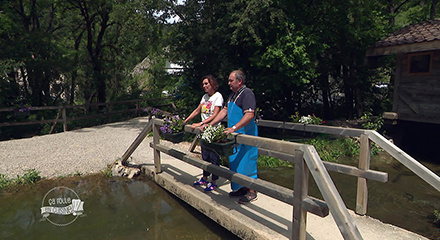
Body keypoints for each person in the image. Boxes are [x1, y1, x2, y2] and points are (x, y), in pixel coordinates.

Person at [208, 70, 258, 204]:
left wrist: (234, 128)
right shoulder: (232, 95)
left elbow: (249, 115)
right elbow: (224, 111)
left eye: (231, 80)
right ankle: (241, 188)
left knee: (247, 162)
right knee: (235, 162)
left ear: (239, 81)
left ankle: (252, 191)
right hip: (234, 136)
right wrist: (211, 124)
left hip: (246, 134)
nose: (228, 83)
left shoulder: (247, 94)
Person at [183, 75, 224, 192]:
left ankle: (214, 181)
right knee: (205, 155)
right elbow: (197, 110)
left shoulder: (218, 96)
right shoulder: (205, 97)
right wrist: (186, 120)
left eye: (206, 83)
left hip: (213, 131)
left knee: (214, 157)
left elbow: (216, 114)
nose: (204, 86)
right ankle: (205, 178)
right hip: (203, 131)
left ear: (212, 83)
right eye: (203, 84)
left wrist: (201, 123)